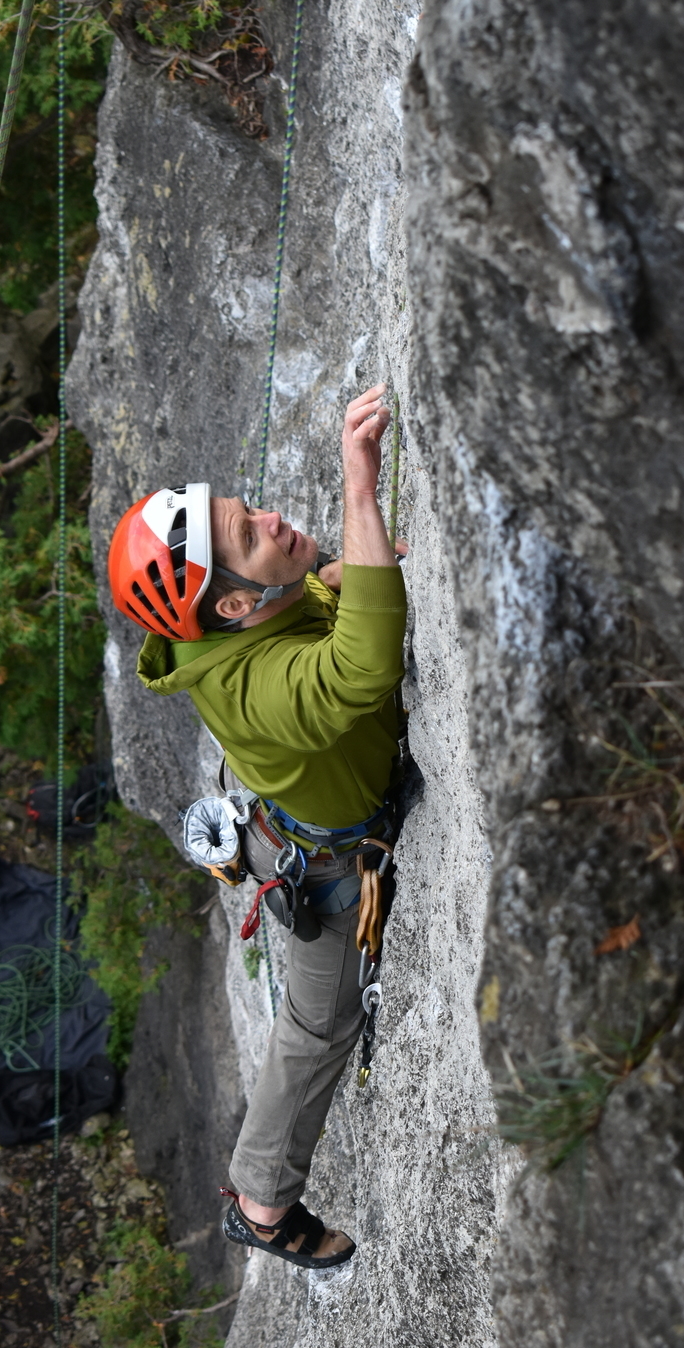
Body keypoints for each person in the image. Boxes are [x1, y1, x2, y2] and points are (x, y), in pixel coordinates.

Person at [107, 383, 407, 1268]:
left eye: (246, 512)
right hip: (328, 864)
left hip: (297, 824)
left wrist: (343, 569)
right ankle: (263, 1205)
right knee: (320, 1027)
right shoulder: (245, 684)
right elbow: (359, 669)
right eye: (249, 535)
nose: (272, 519)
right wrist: (361, 493)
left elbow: (315, 590)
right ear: (231, 606)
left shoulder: (245, 612)